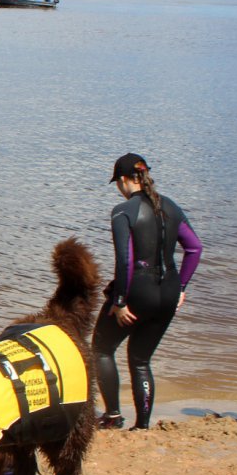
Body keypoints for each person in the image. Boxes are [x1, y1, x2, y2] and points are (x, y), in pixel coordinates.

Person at [92, 153, 202, 431]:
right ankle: (142, 426)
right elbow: (195, 248)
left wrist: (119, 301)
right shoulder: (171, 207)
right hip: (168, 292)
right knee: (141, 359)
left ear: (125, 180)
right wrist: (182, 288)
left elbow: (126, 260)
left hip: (137, 292)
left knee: (101, 349)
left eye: (118, 181)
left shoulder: (123, 211)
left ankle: (113, 415)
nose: (118, 187)